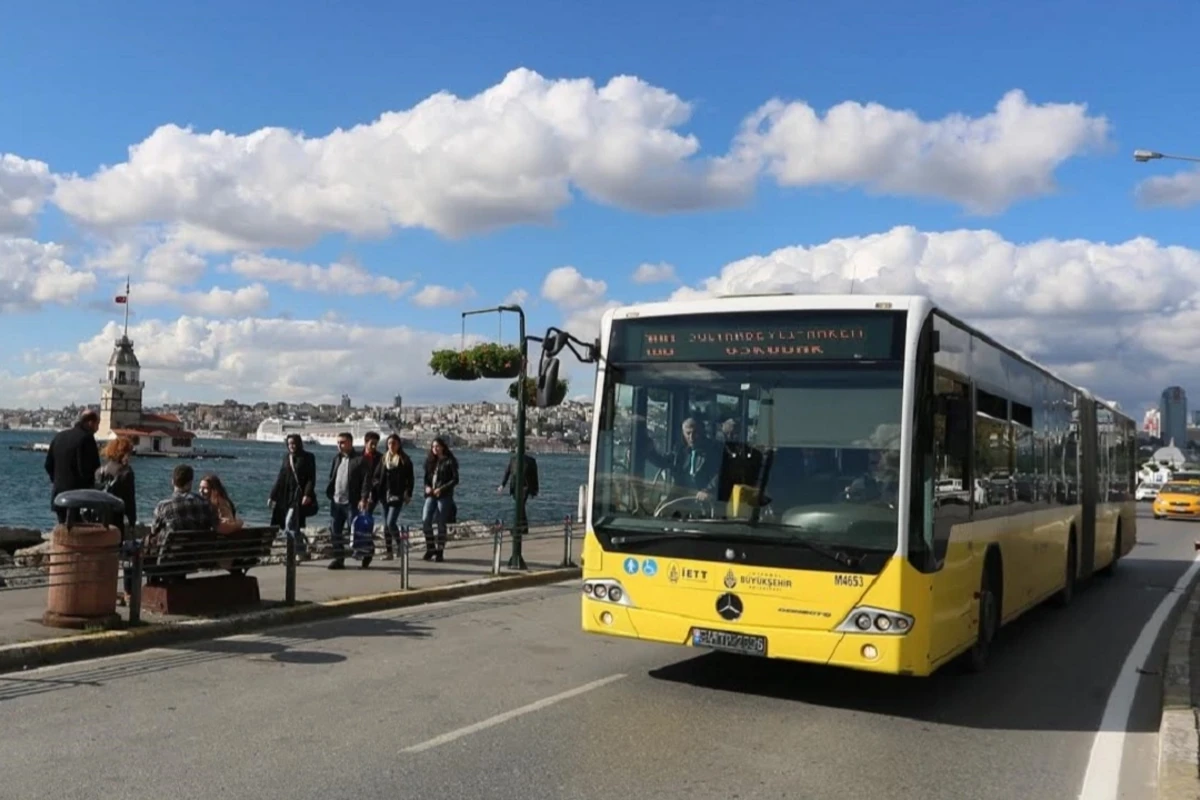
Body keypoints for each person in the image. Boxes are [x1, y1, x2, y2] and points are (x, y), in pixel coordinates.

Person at [95, 436, 137, 603]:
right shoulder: (127, 472)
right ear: (124, 453)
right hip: (117, 518)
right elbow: (130, 500)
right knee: (127, 557)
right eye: (130, 452)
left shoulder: (100, 471)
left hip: (100, 518)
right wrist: (132, 521)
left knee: (104, 557)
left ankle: (103, 589)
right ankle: (128, 592)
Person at [44, 410, 102, 524]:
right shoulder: (87, 438)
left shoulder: (59, 436)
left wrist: (56, 480)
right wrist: (91, 487)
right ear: (90, 423)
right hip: (77, 496)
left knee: (62, 525)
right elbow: (92, 468)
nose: (97, 429)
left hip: (58, 492)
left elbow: (48, 465)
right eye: (97, 424)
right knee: (76, 529)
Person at [325, 432, 373, 570]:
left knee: (357, 531)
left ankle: (367, 553)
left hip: (352, 502)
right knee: (335, 531)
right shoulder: (336, 459)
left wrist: (363, 498)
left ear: (350, 443)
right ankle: (339, 559)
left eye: (342, 442)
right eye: (338, 443)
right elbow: (333, 477)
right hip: (336, 501)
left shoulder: (360, 459)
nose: (339, 445)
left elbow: (366, 481)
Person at [269, 434, 317, 560]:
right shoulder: (286, 458)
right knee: (292, 526)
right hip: (286, 496)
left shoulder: (308, 457)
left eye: (294, 443)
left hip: (299, 497)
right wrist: (272, 496)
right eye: (289, 444)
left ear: (299, 443)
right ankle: (300, 551)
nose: (292, 446)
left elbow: (311, 478)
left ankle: (293, 554)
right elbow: (280, 478)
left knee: (289, 523)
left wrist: (307, 494)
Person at [370, 434, 415, 560]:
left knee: (391, 522)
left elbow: (410, 479)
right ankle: (389, 552)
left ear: (399, 445)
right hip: (384, 495)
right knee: (385, 525)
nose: (391, 446)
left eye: (394, 443)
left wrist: (408, 493)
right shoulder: (383, 459)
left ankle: (401, 545)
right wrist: (376, 485)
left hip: (397, 495)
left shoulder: (404, 460)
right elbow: (376, 476)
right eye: (389, 443)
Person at [421, 437, 459, 562]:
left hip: (444, 496)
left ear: (442, 447)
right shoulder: (430, 461)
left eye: (437, 446)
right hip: (431, 494)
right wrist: (426, 487)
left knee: (441, 523)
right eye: (433, 447)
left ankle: (440, 551)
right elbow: (426, 478)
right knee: (426, 520)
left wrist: (441, 489)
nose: (435, 449)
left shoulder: (449, 461)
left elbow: (455, 479)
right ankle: (430, 547)